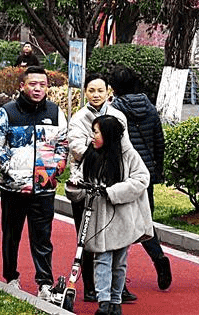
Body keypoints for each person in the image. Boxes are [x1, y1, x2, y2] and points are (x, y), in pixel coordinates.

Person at [0, 65, 68, 301]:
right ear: (22, 86)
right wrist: (8, 168)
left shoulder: (55, 112)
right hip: (14, 188)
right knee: (11, 235)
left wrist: (57, 166)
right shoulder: (7, 112)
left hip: (44, 188)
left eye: (42, 84)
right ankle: (10, 278)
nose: (38, 89)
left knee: (43, 238)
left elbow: (63, 142)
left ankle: (45, 284)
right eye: (33, 84)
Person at [69, 114, 155, 315]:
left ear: (108, 134)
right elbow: (80, 179)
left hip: (123, 217)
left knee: (119, 262)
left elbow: (142, 179)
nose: (92, 136)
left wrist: (112, 192)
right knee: (102, 258)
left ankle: (116, 300)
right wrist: (74, 188)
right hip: (99, 218)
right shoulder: (91, 155)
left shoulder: (129, 155)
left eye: (96, 132)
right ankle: (104, 301)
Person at [66, 71, 135, 304]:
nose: (96, 95)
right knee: (86, 238)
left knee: (117, 238)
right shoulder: (77, 118)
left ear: (109, 92)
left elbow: (124, 150)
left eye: (100, 90)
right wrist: (103, 146)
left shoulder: (118, 116)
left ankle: (118, 287)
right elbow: (77, 149)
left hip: (114, 187)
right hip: (87, 185)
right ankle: (89, 286)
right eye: (91, 90)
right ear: (85, 92)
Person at [109, 64, 172, 290]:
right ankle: (159, 258)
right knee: (145, 222)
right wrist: (157, 170)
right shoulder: (150, 106)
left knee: (119, 224)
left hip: (124, 175)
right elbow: (159, 141)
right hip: (145, 174)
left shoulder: (114, 109)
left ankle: (118, 280)